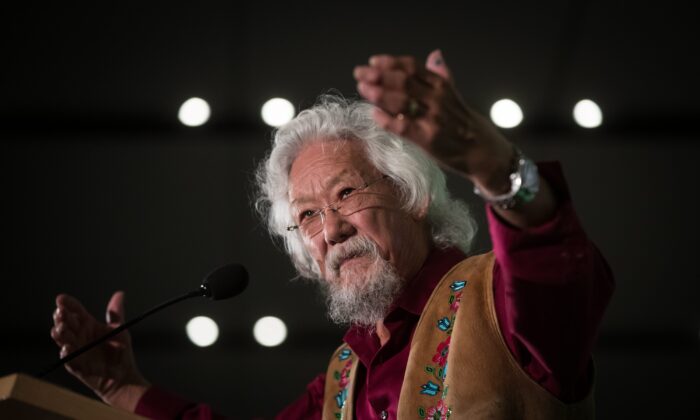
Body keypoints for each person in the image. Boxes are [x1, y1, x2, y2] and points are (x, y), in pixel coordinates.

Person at [50, 49, 614, 419]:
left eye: (347, 194)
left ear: (410, 193)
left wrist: (494, 166)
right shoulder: (341, 379)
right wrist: (124, 390)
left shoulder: (500, 299)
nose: (333, 229)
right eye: (309, 216)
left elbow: (558, 268)